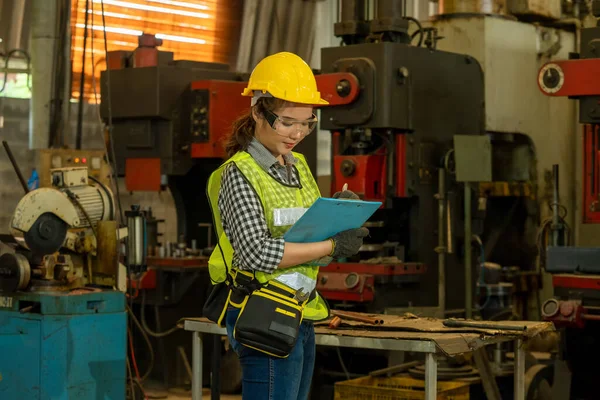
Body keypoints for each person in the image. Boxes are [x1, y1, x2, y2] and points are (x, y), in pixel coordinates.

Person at [205, 51, 368, 400]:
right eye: (287, 121)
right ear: (257, 111)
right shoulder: (240, 174)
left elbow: (307, 241)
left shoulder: (299, 167)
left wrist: (339, 218)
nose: (297, 132)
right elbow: (256, 253)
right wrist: (332, 246)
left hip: (301, 312)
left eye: (307, 122)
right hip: (262, 313)